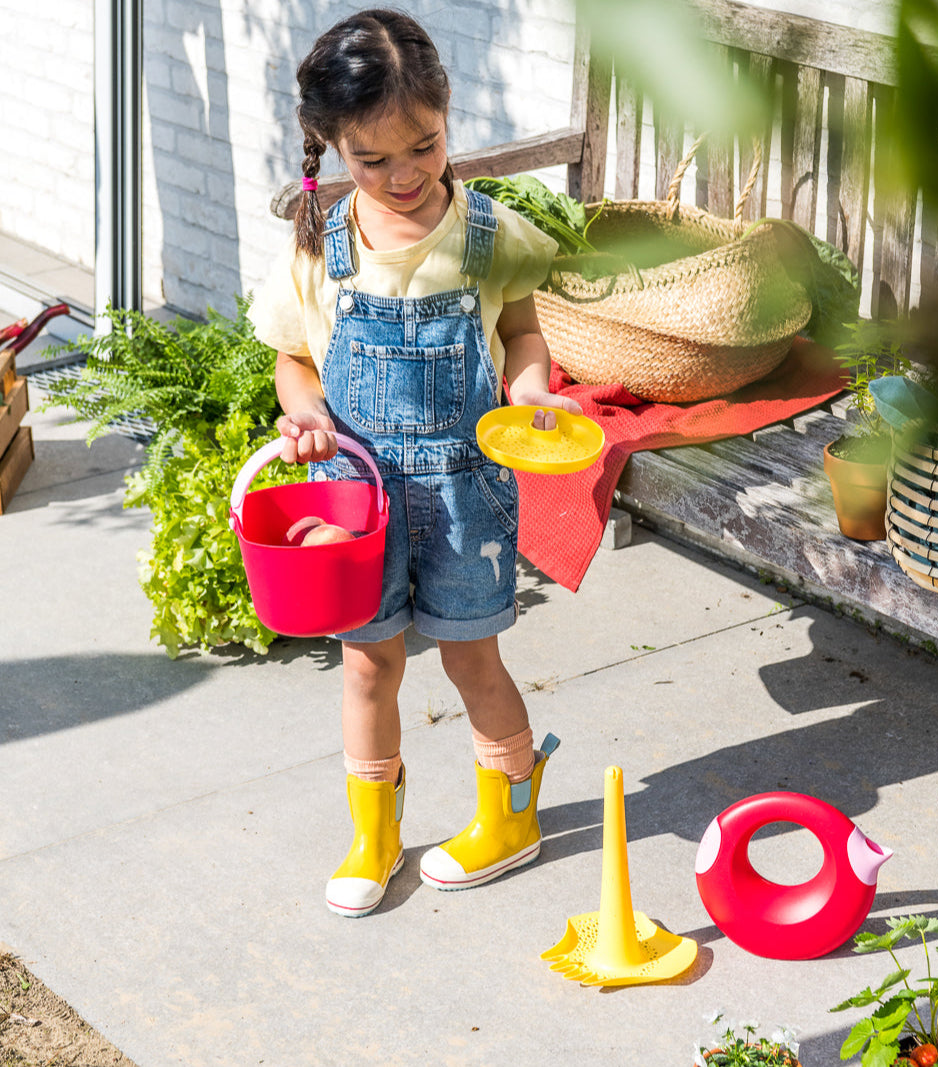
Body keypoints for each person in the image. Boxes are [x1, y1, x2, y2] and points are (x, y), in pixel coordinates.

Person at [249, 8, 579, 917]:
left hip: (462, 490)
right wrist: (305, 414)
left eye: (422, 148)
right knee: (368, 664)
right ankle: (374, 831)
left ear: (446, 119)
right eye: (372, 159)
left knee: (472, 658)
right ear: (332, 147)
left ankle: (510, 816)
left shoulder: (487, 235)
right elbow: (292, 359)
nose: (402, 175)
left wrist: (529, 388)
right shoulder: (321, 241)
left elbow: (520, 330)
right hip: (354, 493)